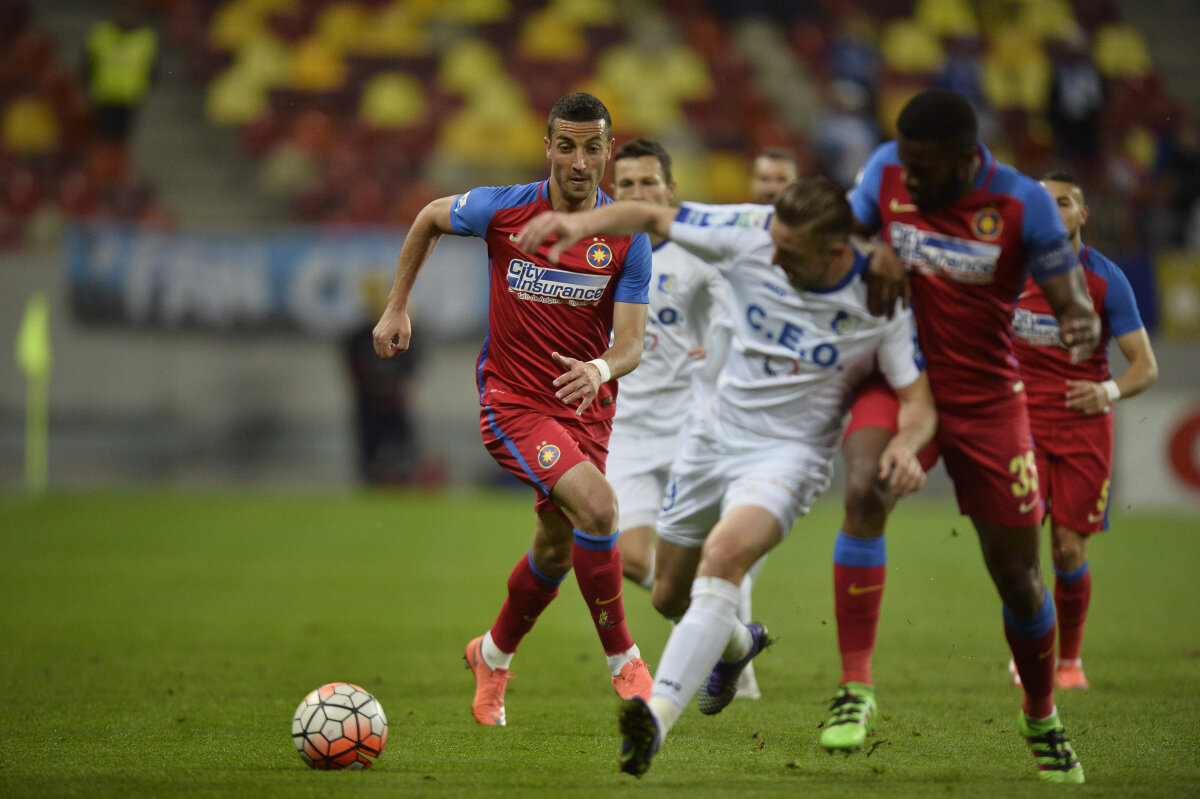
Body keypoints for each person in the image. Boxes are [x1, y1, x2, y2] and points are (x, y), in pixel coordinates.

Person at [516, 176, 937, 778]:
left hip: (787, 456)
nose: (774, 254)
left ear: (836, 248)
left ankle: (655, 719)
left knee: (724, 557)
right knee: (668, 595)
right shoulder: (751, 232)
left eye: (790, 251)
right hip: (710, 441)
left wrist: (906, 442)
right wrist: (578, 225)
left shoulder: (879, 297)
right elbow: (654, 217)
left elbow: (918, 401)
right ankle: (740, 642)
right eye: (775, 241)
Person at [829, 88, 1100, 783]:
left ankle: (1040, 713)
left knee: (1017, 574)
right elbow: (843, 230)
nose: (910, 176)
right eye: (906, 160)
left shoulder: (1020, 203)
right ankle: (854, 688)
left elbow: (1070, 298)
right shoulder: (886, 169)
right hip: (900, 375)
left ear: (966, 158)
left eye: (926, 165)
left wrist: (1077, 324)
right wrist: (870, 248)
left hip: (986, 400)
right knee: (863, 490)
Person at [372, 92, 654, 727]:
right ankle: (625, 663)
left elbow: (631, 345)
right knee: (602, 507)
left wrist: (601, 368)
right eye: (567, 145)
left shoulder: (626, 238)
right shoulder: (502, 209)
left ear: (609, 151)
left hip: (586, 408)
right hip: (513, 403)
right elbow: (427, 218)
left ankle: (491, 655)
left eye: (592, 147)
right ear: (547, 147)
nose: (579, 161)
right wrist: (396, 306)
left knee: (556, 549)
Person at [1008, 171, 1158, 690]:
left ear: (1082, 214)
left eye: (1064, 203)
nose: (1053, 212)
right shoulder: (1009, 273)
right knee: (1018, 549)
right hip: (1019, 426)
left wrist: (1108, 391)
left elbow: (1145, 366)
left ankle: (1069, 661)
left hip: (1083, 428)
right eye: (1042, 204)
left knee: (1068, 550)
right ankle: (1031, 647)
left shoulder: (1106, 279)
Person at [605, 138, 728, 591]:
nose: (637, 193)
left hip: (690, 425)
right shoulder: (598, 256)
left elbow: (735, 315)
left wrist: (721, 346)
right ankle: (725, 633)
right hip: (624, 429)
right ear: (613, 191)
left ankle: (734, 658)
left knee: (717, 551)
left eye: (648, 182)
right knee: (633, 561)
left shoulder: (699, 252)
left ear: (670, 188)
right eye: (627, 184)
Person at [83, 2, 159, 146]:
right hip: (105, 93)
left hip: (130, 94)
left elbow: (152, 66)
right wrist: (87, 85)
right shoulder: (100, 35)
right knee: (104, 135)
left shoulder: (145, 38)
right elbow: (87, 63)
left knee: (123, 137)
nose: (125, 17)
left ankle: (117, 164)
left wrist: (148, 85)